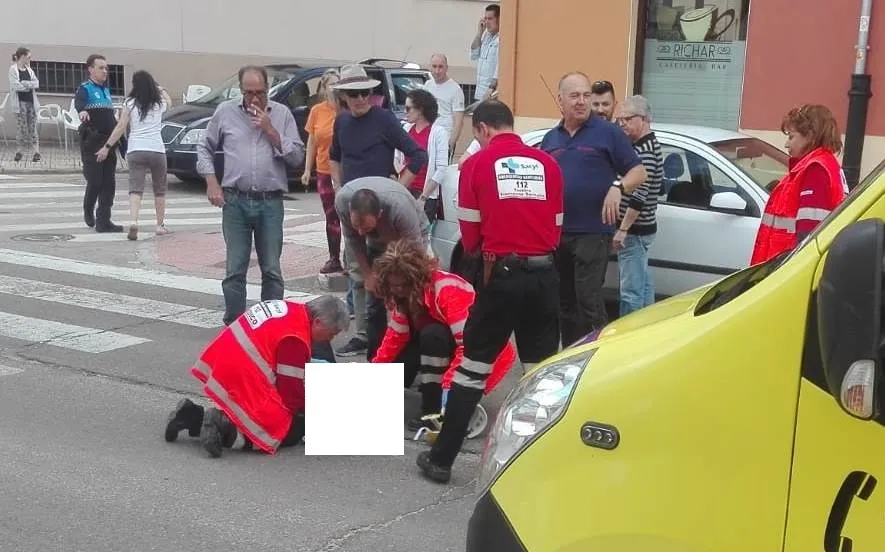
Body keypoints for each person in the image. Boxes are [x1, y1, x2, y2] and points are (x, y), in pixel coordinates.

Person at [417, 100, 564, 483]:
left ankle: (441, 461)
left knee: (472, 369)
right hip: (545, 274)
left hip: (502, 276)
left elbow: (470, 235)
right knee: (541, 372)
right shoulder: (548, 164)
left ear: (482, 129)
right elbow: (557, 226)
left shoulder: (477, 165)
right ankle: (545, 463)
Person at [164, 295, 349, 458]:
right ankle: (222, 424)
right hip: (242, 372)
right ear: (317, 321)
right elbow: (290, 394)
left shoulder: (290, 309)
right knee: (286, 430)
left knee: (275, 415)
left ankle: (192, 416)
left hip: (226, 358)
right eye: (333, 333)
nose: (330, 339)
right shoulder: (296, 337)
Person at [328, 63, 428, 358]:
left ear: (371, 93)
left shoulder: (382, 119)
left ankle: (405, 338)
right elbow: (334, 156)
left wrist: (400, 188)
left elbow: (418, 154)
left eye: (364, 93)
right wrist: (338, 187)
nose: (360, 99)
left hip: (384, 208)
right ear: (344, 96)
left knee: (399, 277)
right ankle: (365, 337)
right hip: (353, 206)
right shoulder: (342, 122)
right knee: (360, 277)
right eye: (353, 94)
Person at [540, 72, 646, 346]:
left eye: (586, 95)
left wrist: (618, 187)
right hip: (558, 233)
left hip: (593, 231)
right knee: (564, 303)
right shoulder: (551, 139)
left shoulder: (608, 133)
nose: (582, 101)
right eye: (575, 95)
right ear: (560, 99)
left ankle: (597, 355)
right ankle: (570, 359)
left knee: (588, 300)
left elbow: (639, 171)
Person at [196, 65, 305, 326]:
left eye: (260, 92)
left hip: (270, 201)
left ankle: (270, 326)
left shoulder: (281, 114)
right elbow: (204, 147)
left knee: (271, 269)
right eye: (248, 93)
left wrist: (271, 131)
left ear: (268, 89)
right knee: (235, 269)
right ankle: (234, 326)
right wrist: (211, 181)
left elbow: (297, 157)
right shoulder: (226, 112)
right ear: (240, 90)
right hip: (235, 200)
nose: (254, 99)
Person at [370, 239, 516, 432]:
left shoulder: (447, 290)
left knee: (432, 335)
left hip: (485, 352)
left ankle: (432, 412)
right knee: (413, 345)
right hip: (454, 345)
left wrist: (451, 387)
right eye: (393, 286)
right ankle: (430, 401)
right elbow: (394, 339)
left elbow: (468, 346)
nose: (397, 290)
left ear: (415, 279)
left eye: (402, 285)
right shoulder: (407, 296)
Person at [334, 176, 432, 360]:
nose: (361, 231)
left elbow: (414, 256)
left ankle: (413, 358)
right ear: (350, 211)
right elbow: (354, 241)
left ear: (379, 214)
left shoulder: (399, 208)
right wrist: (368, 274)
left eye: (366, 226)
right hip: (377, 242)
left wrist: (400, 286)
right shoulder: (342, 201)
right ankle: (377, 359)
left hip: (409, 238)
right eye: (357, 225)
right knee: (373, 300)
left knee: (411, 297)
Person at [750, 104, 848, 265]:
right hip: (782, 268)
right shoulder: (821, 166)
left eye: (791, 136)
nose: (786, 145)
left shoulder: (815, 170)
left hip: (786, 271)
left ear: (810, 136)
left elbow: (808, 238)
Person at [98, 69, 173, 241]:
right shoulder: (159, 102)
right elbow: (170, 103)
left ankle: (133, 221)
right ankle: (160, 225)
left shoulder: (130, 103)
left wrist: (107, 146)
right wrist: (161, 89)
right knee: (160, 190)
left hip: (136, 150)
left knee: (135, 189)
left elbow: (121, 127)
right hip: (156, 150)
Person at [613, 95, 664, 316]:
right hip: (641, 229)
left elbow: (640, 195)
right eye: (619, 120)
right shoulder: (647, 145)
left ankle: (629, 335)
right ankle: (648, 327)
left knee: (631, 292)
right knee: (643, 286)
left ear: (643, 119)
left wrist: (623, 229)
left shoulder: (644, 151)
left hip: (634, 231)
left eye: (626, 119)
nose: (621, 124)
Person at [301, 69, 346, 275]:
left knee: (349, 216)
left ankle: (351, 257)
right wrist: (307, 169)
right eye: (331, 83)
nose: (335, 87)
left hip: (345, 172)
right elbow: (311, 141)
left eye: (338, 83)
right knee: (331, 215)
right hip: (324, 170)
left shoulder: (345, 110)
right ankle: (334, 257)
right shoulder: (317, 111)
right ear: (324, 87)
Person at [76, 54, 124, 233]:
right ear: (91, 69)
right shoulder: (85, 89)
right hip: (92, 141)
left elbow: (110, 117)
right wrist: (82, 112)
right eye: (101, 67)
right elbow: (79, 104)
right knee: (95, 181)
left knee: (109, 184)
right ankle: (88, 208)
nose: (105, 71)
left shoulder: (106, 90)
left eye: (106, 68)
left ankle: (104, 220)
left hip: (109, 142)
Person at [395, 88, 449, 225]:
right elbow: (397, 158)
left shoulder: (438, 132)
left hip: (424, 193)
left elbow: (441, 168)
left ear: (420, 110)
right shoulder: (405, 129)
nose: (405, 112)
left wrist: (423, 198)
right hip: (405, 190)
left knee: (420, 238)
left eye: (408, 108)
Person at [8, 47, 41, 163]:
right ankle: (19, 152)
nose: (29, 59)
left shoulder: (29, 70)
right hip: (20, 103)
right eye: (28, 57)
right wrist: (28, 86)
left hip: (31, 102)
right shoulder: (13, 69)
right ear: (22, 56)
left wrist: (26, 84)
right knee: (21, 127)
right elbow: (15, 86)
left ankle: (36, 152)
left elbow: (36, 83)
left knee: (32, 127)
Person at [469, 4, 500, 102]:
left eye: (490, 19)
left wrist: (492, 88)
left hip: (491, 93)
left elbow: (499, 66)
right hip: (480, 91)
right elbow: (474, 55)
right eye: (485, 18)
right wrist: (479, 33)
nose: (486, 22)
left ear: (499, 19)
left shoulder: (501, 39)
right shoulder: (485, 35)